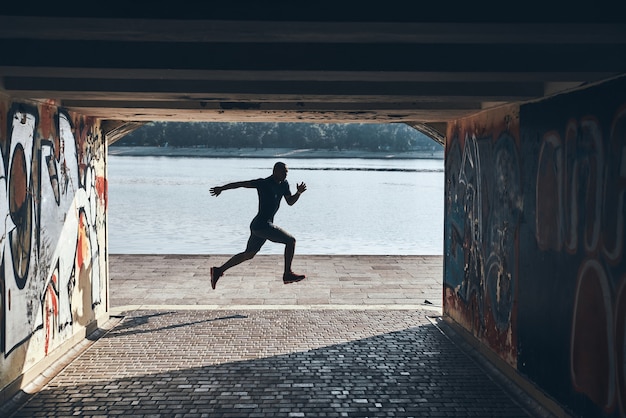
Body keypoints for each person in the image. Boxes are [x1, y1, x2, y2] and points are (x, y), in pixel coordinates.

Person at [209, 162, 307, 289]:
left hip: (261, 226)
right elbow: (241, 184)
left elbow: (290, 202)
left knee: (248, 254)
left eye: (287, 172)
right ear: (275, 171)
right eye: (283, 172)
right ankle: (287, 273)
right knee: (290, 241)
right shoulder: (263, 183)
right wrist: (221, 188)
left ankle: (218, 270)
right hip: (261, 225)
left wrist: (298, 193)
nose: (285, 175)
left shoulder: (284, 184)